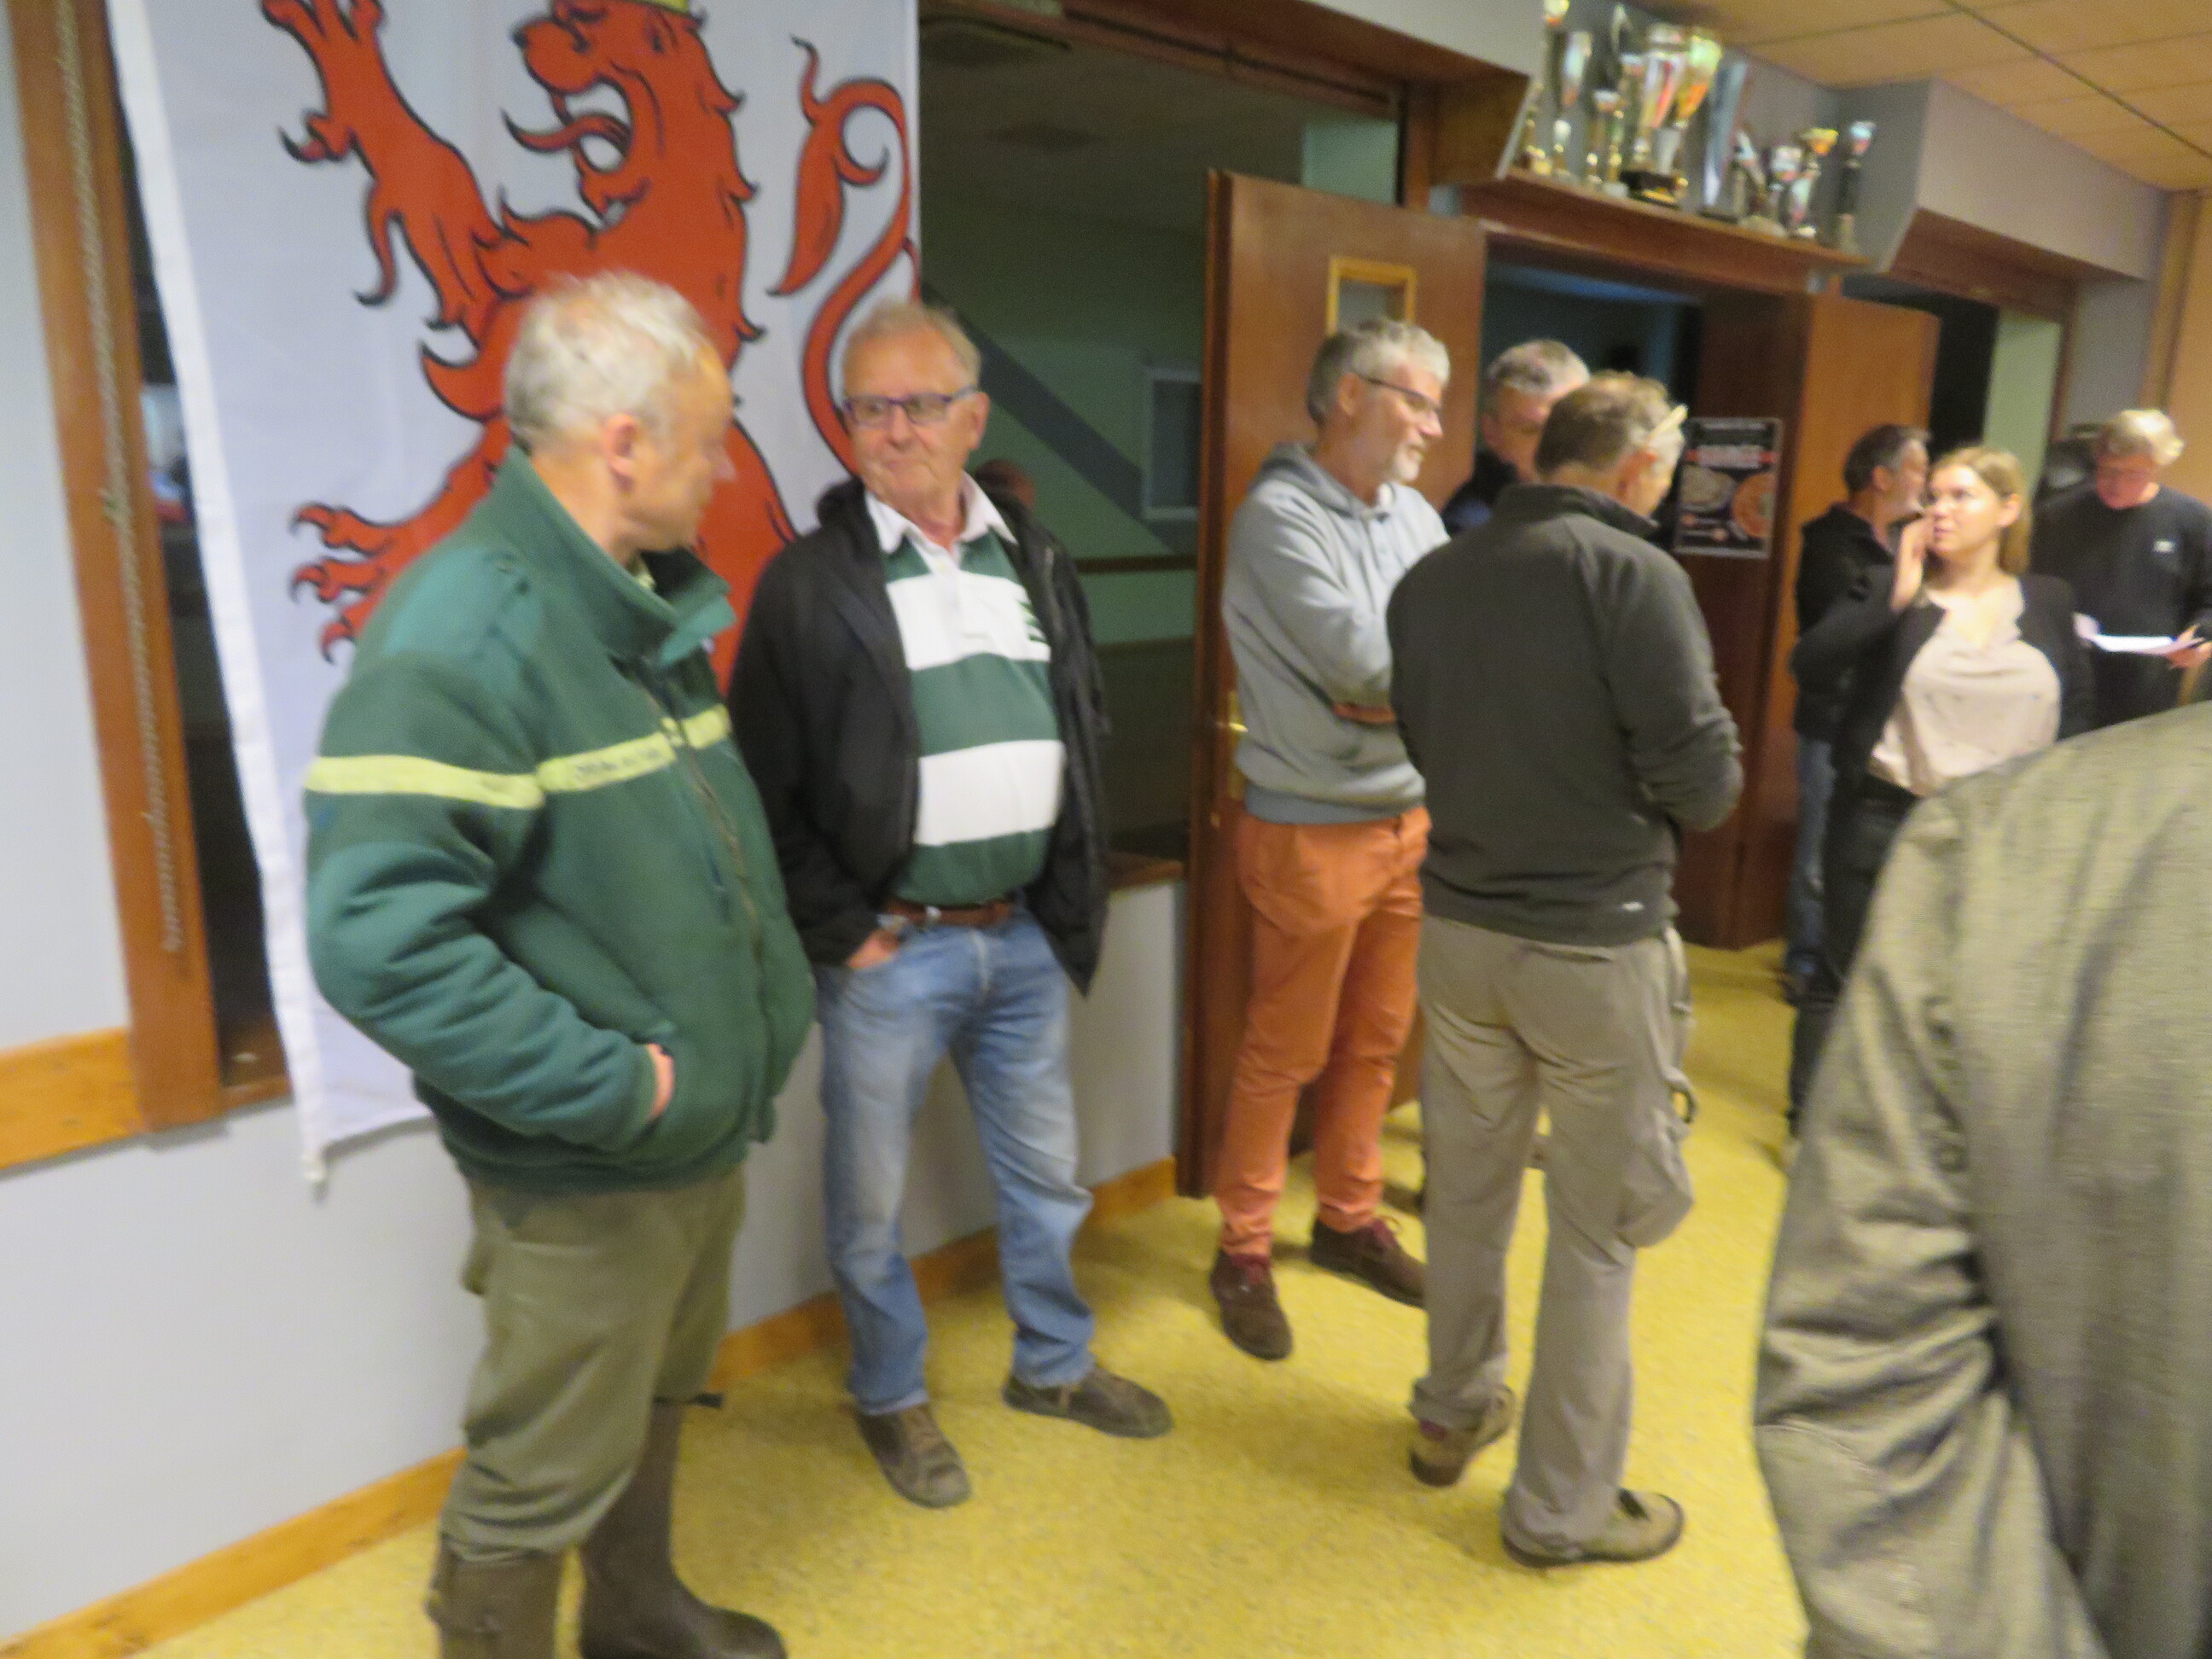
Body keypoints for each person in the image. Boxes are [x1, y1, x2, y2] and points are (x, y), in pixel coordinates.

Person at [304, 274, 812, 1659]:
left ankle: (635, 1613)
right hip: (596, 1160)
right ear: (625, 443)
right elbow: (376, 939)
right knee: (540, 1462)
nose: (723, 469)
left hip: (694, 1136)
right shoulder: (467, 630)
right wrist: (621, 1088)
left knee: (656, 1387)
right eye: (710, 437)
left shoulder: (633, 608)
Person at [731, 300, 1169, 1511]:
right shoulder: (810, 584)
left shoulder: (1036, 557)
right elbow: (762, 782)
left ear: (972, 418)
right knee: (868, 1203)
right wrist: (849, 932)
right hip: (892, 951)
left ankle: (1054, 1366)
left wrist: (1064, 887)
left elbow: (1080, 717)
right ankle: (888, 1395)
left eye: (920, 404)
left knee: (1047, 1180)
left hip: (1019, 933)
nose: (895, 430)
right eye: (869, 408)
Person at [1757, 699, 2212, 1657]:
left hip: (2028, 892)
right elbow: (1866, 1364)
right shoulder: (1995, 849)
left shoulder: (2041, 662)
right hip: (1905, 829)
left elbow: (2076, 700)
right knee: (1838, 989)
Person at [1388, 374, 1741, 1567]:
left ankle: (1451, 1411)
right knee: (1595, 1233)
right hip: (1593, 942)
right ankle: (1558, 1512)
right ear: (1637, 466)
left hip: (1460, 935)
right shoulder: (1635, 574)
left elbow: (1426, 738)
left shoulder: (1435, 575)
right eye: (1670, 466)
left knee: (1467, 1197)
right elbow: (1705, 782)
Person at [1207, 318, 1452, 1360]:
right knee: (1286, 1050)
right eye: (1417, 402)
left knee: (1377, 1042)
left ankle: (1349, 1220)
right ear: (1350, 395)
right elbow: (1366, 666)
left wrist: (1396, 692)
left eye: (1438, 407)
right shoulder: (1278, 519)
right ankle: (1243, 1249)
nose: (1433, 428)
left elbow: (1455, 653)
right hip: (1310, 829)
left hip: (1410, 818)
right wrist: (1400, 687)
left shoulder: (1418, 518)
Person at [1786, 448, 2091, 1126]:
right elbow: (1810, 664)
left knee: (1975, 989)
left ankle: (1930, 1132)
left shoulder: (2049, 599)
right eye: (1933, 497)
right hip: (1886, 814)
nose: (1939, 511)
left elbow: (2076, 711)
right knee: (1844, 977)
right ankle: (1810, 1126)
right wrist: (1894, 598)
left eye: (1961, 496)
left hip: (2003, 830)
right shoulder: (1887, 586)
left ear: (2008, 510)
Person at [1783, 425, 1930, 1004]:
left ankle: (1846, 962)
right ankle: (1805, 961)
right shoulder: (1831, 545)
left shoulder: (1902, 542)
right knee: (1820, 848)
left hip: (1879, 720)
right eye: (1919, 469)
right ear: (1882, 478)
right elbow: (1840, 640)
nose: (1927, 482)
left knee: (1860, 849)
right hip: (1831, 718)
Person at [2031, 408, 2212, 726]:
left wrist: (2199, 638)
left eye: (2133, 474)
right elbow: (2030, 588)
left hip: (2145, 688)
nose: (2116, 484)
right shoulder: (2057, 516)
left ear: (2156, 467)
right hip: (2063, 675)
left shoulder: (2192, 521)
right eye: (2108, 470)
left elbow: (2208, 601)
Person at [1440, 340, 1589, 534]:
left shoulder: (1611, 501)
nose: (1556, 443)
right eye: (1532, 430)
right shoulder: (1471, 530)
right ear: (1492, 432)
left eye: (1571, 426)